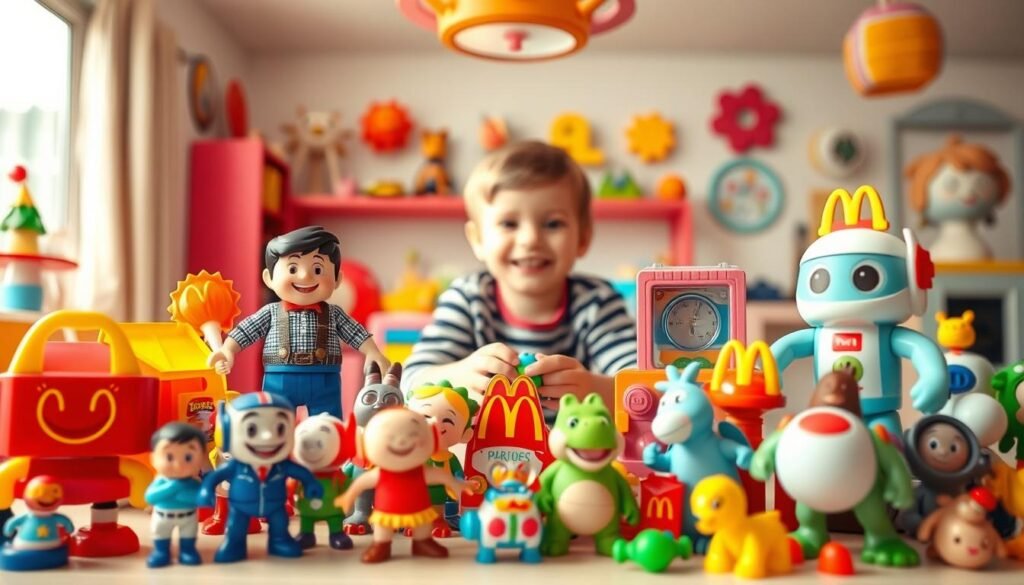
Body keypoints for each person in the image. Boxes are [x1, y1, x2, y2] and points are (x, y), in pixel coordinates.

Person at [401, 140, 637, 413]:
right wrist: (458, 377)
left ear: (583, 238)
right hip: (478, 454)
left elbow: (642, 386)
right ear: (477, 239)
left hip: (571, 452)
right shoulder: (468, 299)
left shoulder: (597, 302)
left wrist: (593, 389)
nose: (530, 239)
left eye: (552, 224)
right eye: (509, 224)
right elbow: (410, 381)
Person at [207, 226, 389, 418]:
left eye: (318, 269)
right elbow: (246, 331)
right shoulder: (270, 312)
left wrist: (372, 352)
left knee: (328, 423)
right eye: (293, 268)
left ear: (337, 280)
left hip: (325, 379)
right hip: (280, 378)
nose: (304, 276)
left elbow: (356, 333)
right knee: (275, 421)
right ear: (269, 278)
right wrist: (228, 350)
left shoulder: (334, 314)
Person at [145, 423, 207, 568]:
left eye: (188, 457)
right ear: (153, 458)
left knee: (188, 536)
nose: (178, 465)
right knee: (161, 535)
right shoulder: (160, 481)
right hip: (162, 516)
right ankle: (161, 552)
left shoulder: (195, 482)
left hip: (188, 517)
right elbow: (150, 497)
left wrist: (180, 495)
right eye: (169, 457)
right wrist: (171, 487)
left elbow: (199, 499)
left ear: (202, 458)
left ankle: (187, 551)